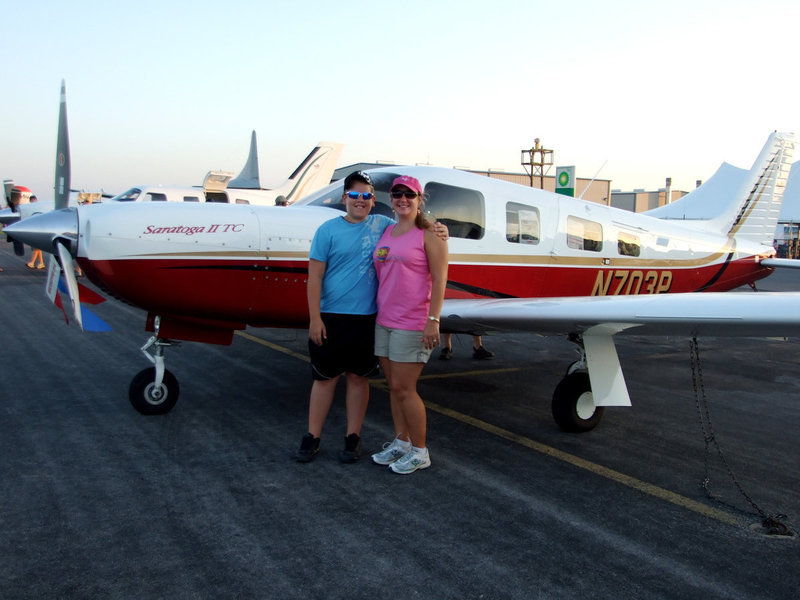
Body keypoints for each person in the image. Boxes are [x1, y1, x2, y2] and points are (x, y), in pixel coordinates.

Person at [295, 171, 395, 463]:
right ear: (344, 199)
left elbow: (412, 226)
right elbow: (314, 278)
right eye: (354, 195)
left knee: (358, 379)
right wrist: (315, 318)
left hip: (365, 319)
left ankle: (353, 438)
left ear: (373, 201)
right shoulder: (327, 231)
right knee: (324, 379)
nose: (360, 201)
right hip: (330, 318)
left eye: (366, 196)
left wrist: (435, 227)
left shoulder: (383, 226)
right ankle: (312, 436)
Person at [371, 176, 448, 474]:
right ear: (390, 198)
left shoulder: (430, 233)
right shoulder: (387, 230)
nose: (403, 199)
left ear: (419, 199)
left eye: (409, 194)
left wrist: (433, 320)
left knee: (405, 388)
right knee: (393, 387)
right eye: (397, 194)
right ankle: (401, 443)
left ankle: (420, 450)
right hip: (385, 320)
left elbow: (441, 278)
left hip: (413, 322)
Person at [25, 196, 46, 269]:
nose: (33, 201)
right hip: (34, 230)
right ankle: (41, 263)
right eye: (32, 200)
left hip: (38, 230)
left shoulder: (38, 209)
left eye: (34, 200)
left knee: (36, 247)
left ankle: (32, 262)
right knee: (37, 248)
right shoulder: (33, 209)